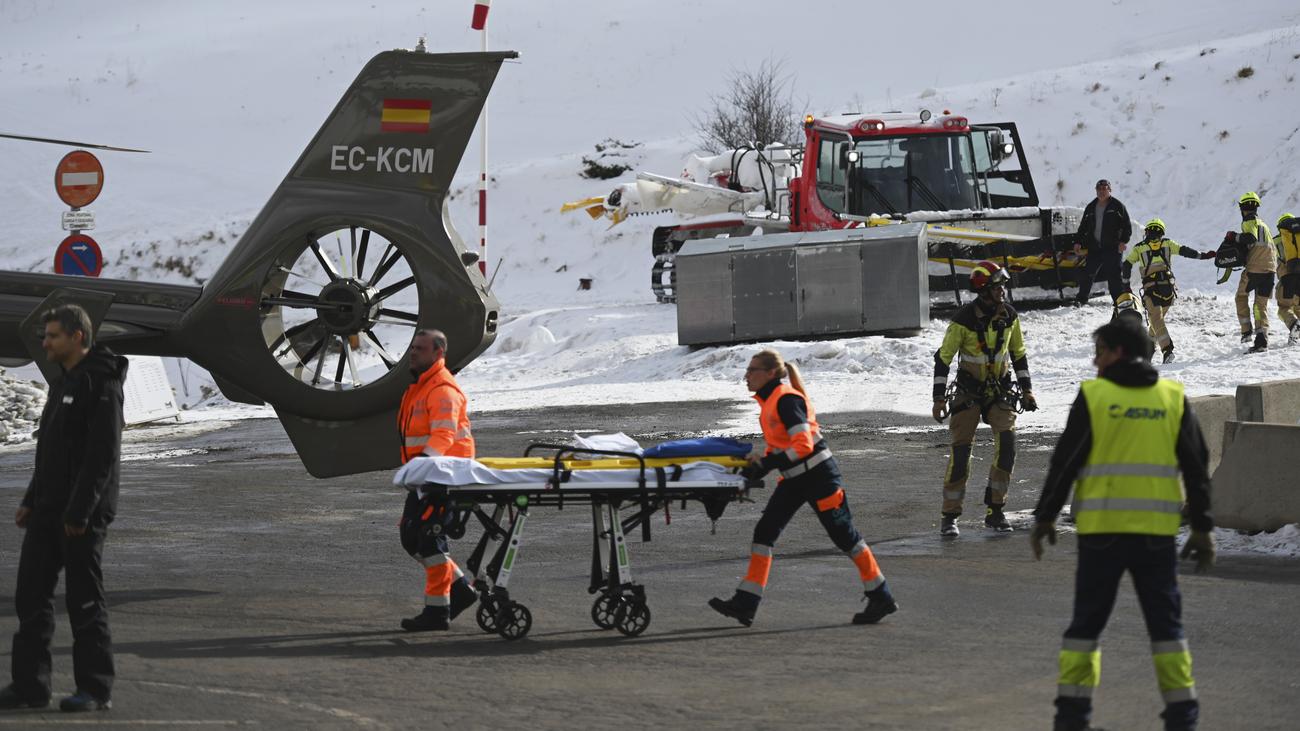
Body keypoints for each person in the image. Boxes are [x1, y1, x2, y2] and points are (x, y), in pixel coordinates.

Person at [1029, 319, 1214, 731]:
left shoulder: (1095, 396)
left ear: (1117, 352)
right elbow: (1197, 466)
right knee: (1167, 630)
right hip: (1156, 538)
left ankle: (1072, 719)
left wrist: (1045, 516)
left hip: (1102, 537)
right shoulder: (1172, 397)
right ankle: (1182, 718)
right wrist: (1203, 527)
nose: (1094, 361)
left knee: (1086, 628)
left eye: (1099, 351)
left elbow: (1066, 461)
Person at [709, 349, 898, 627]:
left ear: (771, 373)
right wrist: (759, 461)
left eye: (752, 371)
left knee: (845, 537)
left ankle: (881, 595)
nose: (746, 376)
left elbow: (803, 445)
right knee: (764, 533)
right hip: (795, 480)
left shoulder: (786, 400)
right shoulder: (770, 401)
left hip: (820, 478)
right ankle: (746, 603)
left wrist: (768, 463)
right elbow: (781, 444)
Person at [1, 305, 125, 713]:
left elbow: (100, 456)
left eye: (53, 335)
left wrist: (80, 512)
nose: (45, 342)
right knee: (31, 597)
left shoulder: (100, 382)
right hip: (49, 510)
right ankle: (29, 686)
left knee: (84, 601)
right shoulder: (65, 381)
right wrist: (32, 500)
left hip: (81, 516)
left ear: (77, 337)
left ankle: (95, 688)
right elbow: (52, 450)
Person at [932, 260, 1037, 537]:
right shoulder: (962, 321)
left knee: (1008, 445)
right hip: (968, 394)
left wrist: (1027, 390)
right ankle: (950, 515)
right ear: (983, 290)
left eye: (1003, 285)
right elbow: (943, 359)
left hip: (999, 392)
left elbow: (1019, 355)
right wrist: (938, 398)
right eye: (997, 286)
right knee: (961, 452)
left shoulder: (1010, 317)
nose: (1002, 290)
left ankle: (995, 510)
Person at [396, 329, 479, 632]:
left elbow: (443, 435)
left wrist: (421, 468)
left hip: (441, 478)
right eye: (412, 347)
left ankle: (437, 612)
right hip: (425, 478)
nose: (413, 352)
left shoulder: (442, 389)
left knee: (429, 541)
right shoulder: (420, 387)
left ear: (438, 353)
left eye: (420, 348)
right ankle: (459, 591)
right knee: (411, 538)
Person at [1121, 218, 1217, 363]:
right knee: (1156, 320)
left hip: (1151, 290)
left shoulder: (1139, 248)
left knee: (1156, 320)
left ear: (1147, 232)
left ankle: (1167, 350)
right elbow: (1186, 251)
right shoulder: (1168, 244)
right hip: (1168, 291)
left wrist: (1126, 286)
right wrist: (1204, 256)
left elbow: (1127, 265)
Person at [1073, 179, 1133, 306]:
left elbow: (1127, 226)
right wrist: (1078, 242)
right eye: (1099, 189)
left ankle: (1118, 301)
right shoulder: (1090, 207)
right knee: (1088, 274)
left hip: (1112, 247)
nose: (1101, 192)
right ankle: (1081, 299)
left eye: (1104, 189)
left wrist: (1123, 241)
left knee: (1114, 275)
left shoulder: (1117, 206)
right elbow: (1083, 227)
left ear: (1109, 190)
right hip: (1094, 247)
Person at [1232, 191, 1275, 352]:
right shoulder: (1264, 225)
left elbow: (1250, 238)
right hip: (1270, 269)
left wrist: (1234, 237)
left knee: (1241, 297)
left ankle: (1246, 331)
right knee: (1260, 305)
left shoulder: (1248, 221)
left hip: (1255, 269)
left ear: (1242, 208)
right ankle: (1261, 340)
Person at [1273, 212, 1300, 344]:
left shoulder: (1277, 240)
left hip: (1287, 279)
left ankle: (1294, 325)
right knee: (1298, 306)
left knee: (1283, 308)